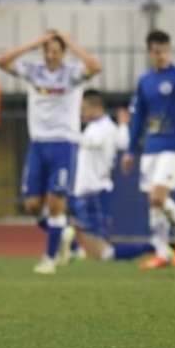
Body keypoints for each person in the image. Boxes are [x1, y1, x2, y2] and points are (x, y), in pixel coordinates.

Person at [0, 30, 102, 275]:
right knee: (32, 205)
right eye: (48, 51)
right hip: (39, 144)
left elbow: (95, 67)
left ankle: (49, 259)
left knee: (56, 204)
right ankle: (65, 235)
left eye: (56, 51)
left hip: (63, 143)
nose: (51, 55)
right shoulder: (34, 71)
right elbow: (1, 61)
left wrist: (70, 42)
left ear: (62, 53)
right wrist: (33, 43)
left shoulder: (72, 73)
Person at [121, 30, 175, 270]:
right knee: (154, 202)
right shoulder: (144, 81)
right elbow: (138, 118)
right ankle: (161, 252)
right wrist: (130, 150)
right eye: (157, 52)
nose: (161, 56)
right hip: (151, 148)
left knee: (158, 196)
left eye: (165, 51)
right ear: (150, 52)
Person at [67, 90, 158, 262]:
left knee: (102, 252)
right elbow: (122, 142)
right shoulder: (108, 127)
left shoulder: (98, 128)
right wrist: (123, 125)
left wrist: (68, 131)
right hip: (90, 190)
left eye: (84, 109)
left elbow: (92, 142)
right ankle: (73, 249)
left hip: (93, 192)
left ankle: (153, 246)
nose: (81, 113)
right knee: (92, 247)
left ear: (96, 107)